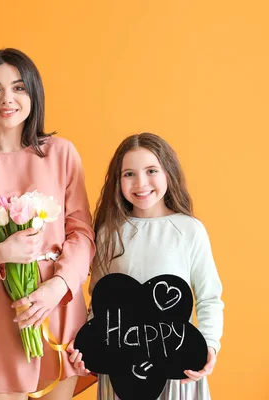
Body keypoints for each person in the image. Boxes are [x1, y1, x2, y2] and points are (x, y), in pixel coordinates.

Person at [0, 48, 95, 400]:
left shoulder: (62, 153)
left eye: (18, 88)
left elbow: (82, 231)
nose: (7, 98)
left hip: (58, 303)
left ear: (33, 93)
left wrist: (59, 286)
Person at [68, 132, 224, 399]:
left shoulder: (189, 230)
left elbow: (209, 298)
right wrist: (88, 348)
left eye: (151, 170)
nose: (141, 183)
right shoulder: (109, 233)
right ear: (118, 181)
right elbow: (101, 304)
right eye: (129, 174)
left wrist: (209, 345)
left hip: (176, 367)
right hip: (121, 372)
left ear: (168, 173)